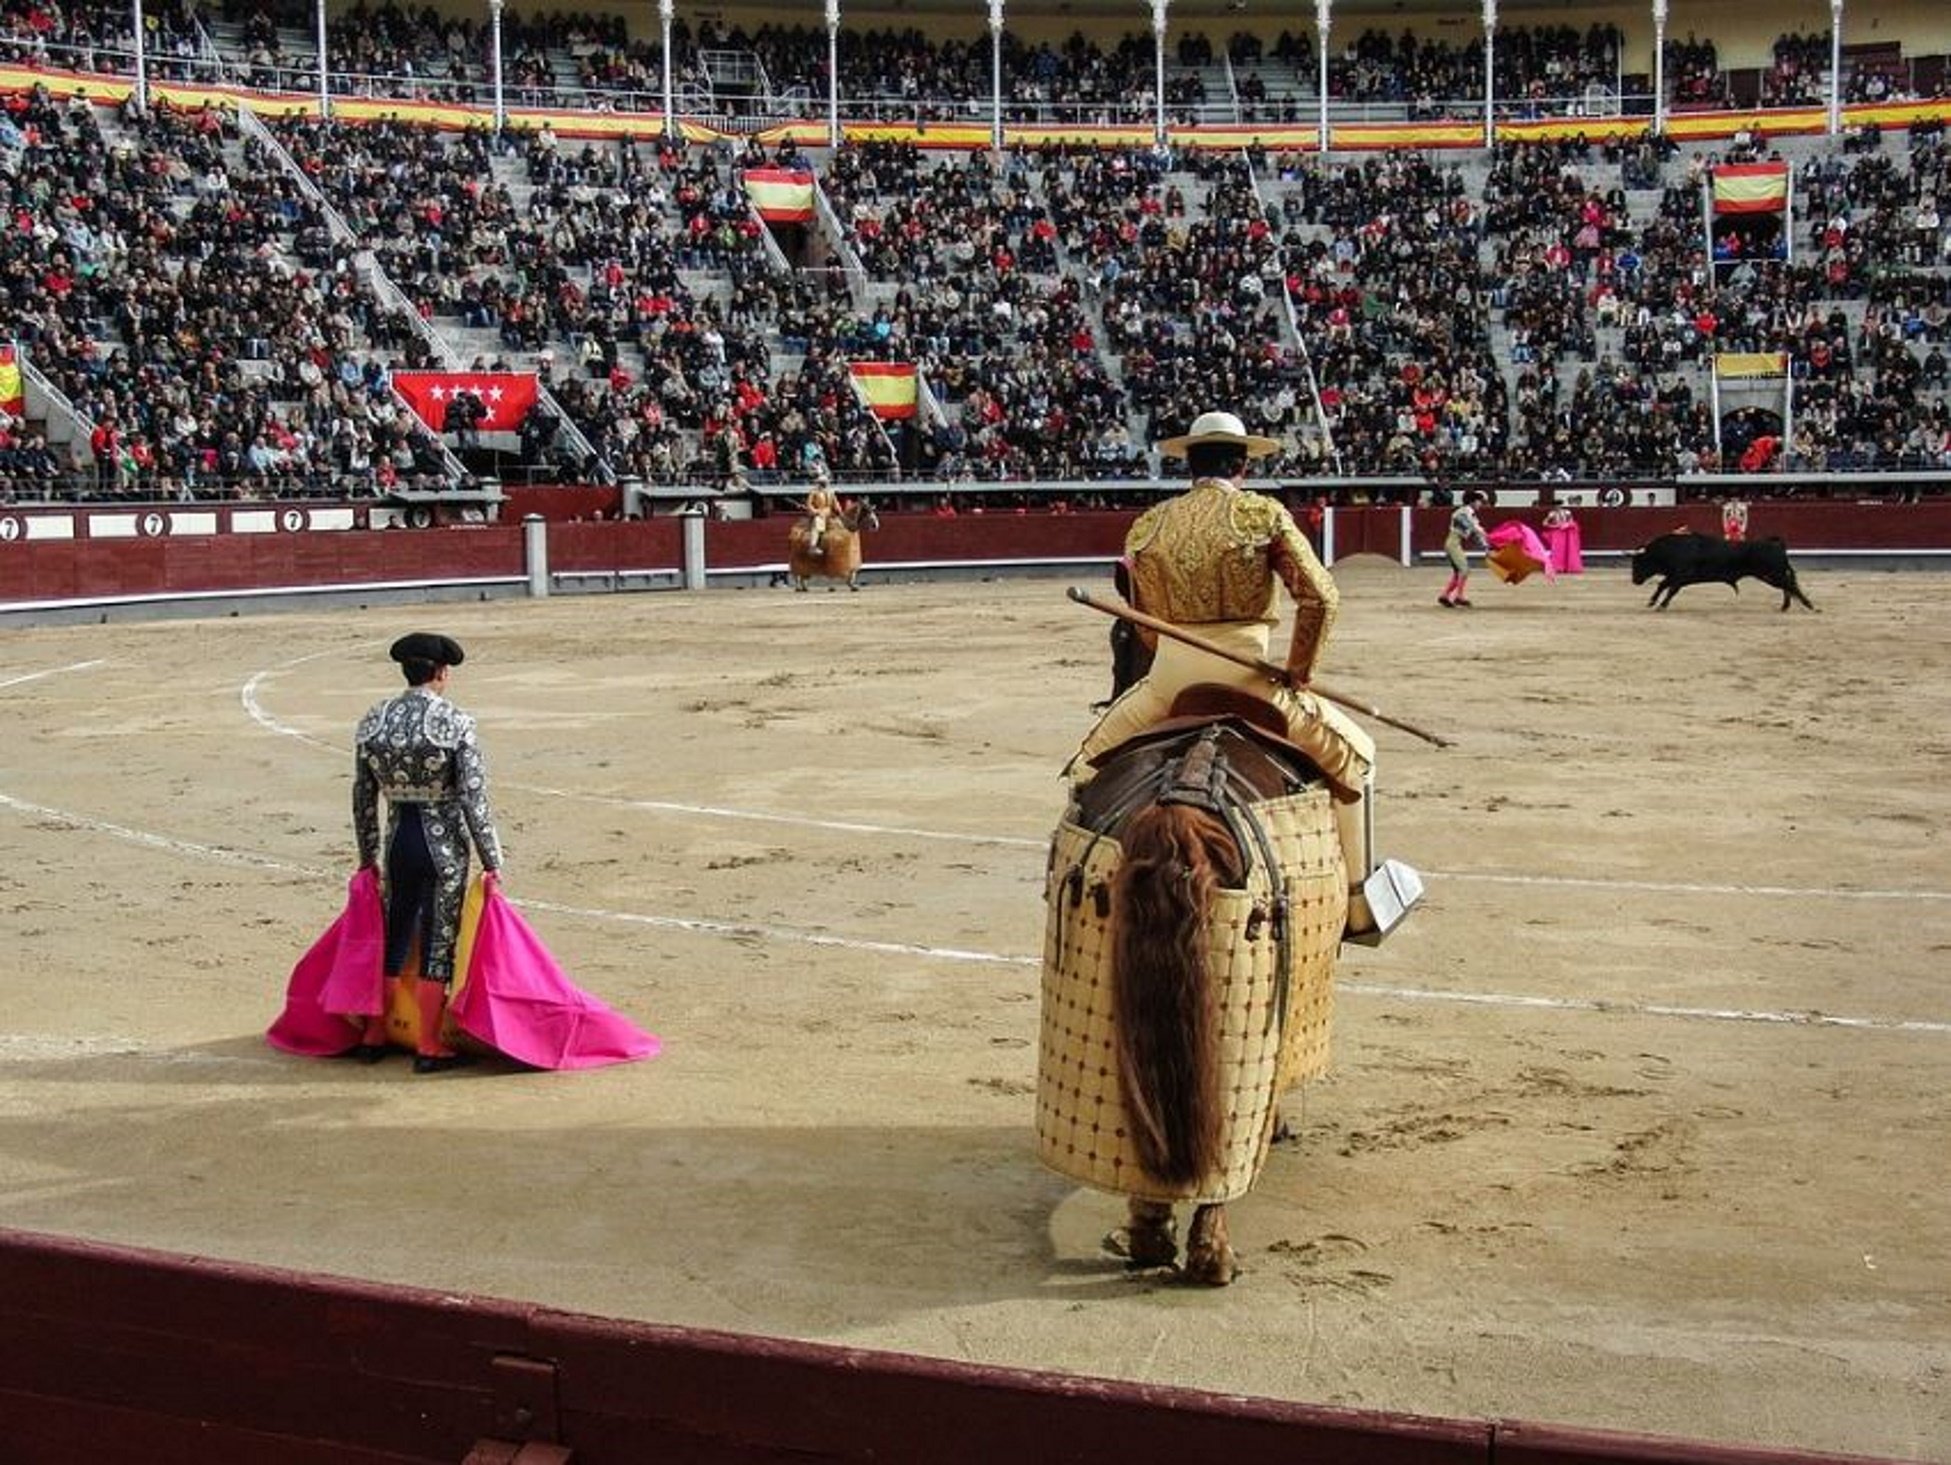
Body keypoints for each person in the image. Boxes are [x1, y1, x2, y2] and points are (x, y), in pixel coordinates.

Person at [1068, 410, 1383, 934]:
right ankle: (1357, 907)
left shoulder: (1150, 525)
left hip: (1170, 681)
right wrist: (1297, 672)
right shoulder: (1263, 515)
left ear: (1188, 465)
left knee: (1083, 769)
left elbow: (1145, 626)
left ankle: (1078, 898)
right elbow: (1321, 599)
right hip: (1249, 676)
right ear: (1242, 465)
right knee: (1359, 759)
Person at [352, 632, 504, 1074]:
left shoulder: (375, 720)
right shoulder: (456, 722)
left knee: (393, 935)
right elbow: (475, 800)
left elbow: (363, 798)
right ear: (441, 673)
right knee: (439, 939)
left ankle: (374, 1033)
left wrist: (368, 857)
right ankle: (427, 1044)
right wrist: (492, 860)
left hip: (398, 841)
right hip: (442, 848)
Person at [1438, 490, 1491, 607]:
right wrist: (1483, 533)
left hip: (1455, 543)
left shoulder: (1471, 515)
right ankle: (1459, 596)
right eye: (1479, 501)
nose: (1480, 504)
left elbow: (1476, 533)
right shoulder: (1461, 513)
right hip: (1453, 543)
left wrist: (1486, 546)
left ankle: (1445, 596)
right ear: (1472, 501)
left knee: (1459, 572)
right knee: (1464, 570)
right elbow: (1470, 526)